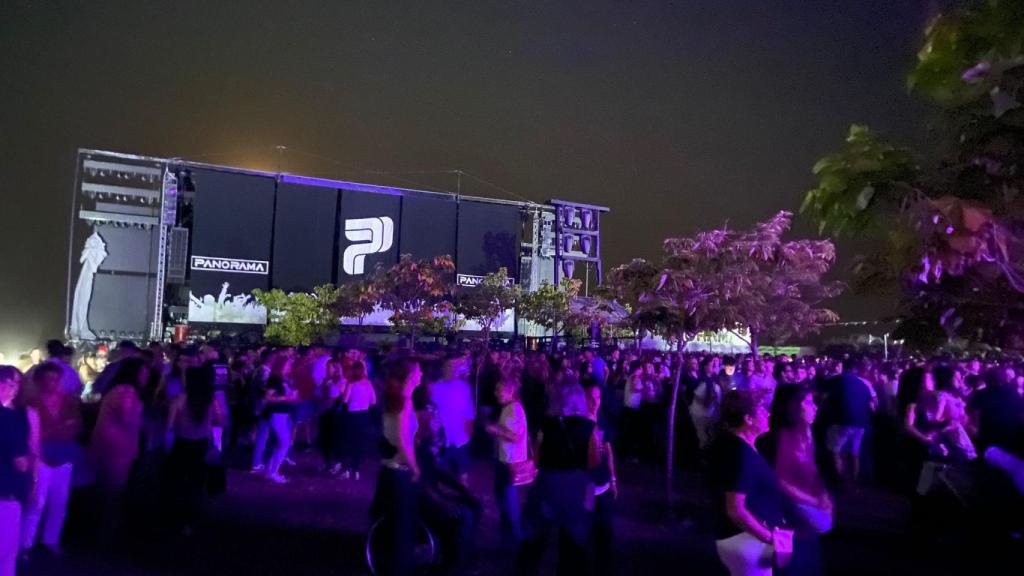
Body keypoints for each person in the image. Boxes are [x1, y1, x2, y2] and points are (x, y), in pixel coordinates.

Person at [515, 380, 599, 576]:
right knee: (574, 542)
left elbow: (537, 460)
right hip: (576, 489)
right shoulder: (589, 427)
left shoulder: (546, 425)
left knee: (535, 537)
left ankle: (526, 568)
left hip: (548, 484)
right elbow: (593, 462)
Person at [709, 390, 788, 576]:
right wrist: (768, 537)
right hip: (747, 540)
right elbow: (735, 509)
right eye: (763, 411)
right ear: (748, 419)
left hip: (745, 538)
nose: (769, 414)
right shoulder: (740, 454)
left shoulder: (738, 445)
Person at [20, 363, 82, 556]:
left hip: (64, 455)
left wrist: (52, 431)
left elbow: (76, 426)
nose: (53, 383)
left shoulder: (69, 401)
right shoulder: (31, 403)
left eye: (56, 379)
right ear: (40, 381)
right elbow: (33, 434)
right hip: (40, 455)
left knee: (59, 501)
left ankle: (51, 540)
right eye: (48, 379)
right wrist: (60, 428)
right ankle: (26, 543)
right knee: (36, 502)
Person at [370, 358, 423, 576]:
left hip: (390, 468)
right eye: (418, 372)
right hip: (398, 470)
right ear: (410, 377)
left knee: (395, 524)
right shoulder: (403, 401)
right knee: (402, 525)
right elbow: (403, 439)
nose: (421, 375)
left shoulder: (396, 399)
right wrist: (415, 467)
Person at [759, 385, 831, 534]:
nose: (815, 408)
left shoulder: (807, 433)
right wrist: (814, 501)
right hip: (787, 501)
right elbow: (781, 482)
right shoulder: (780, 438)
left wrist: (822, 494)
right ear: (792, 406)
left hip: (804, 495)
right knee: (822, 523)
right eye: (808, 403)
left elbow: (812, 469)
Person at [165, 364, 224, 534]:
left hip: (181, 444)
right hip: (201, 445)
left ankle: (175, 519)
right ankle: (192, 520)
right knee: (196, 482)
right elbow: (220, 420)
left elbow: (169, 425)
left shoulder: (178, 399)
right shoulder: (210, 400)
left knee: (178, 481)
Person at [485, 376, 529, 552]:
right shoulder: (508, 407)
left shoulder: (514, 409)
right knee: (503, 498)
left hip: (509, 463)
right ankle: (509, 534)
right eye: (496, 389)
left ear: (510, 391)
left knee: (510, 502)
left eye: (499, 390)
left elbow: (515, 436)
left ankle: (518, 540)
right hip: (504, 460)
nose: (496, 393)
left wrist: (494, 429)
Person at [820, 359, 876, 483]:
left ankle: (840, 482)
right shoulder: (862, 383)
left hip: (842, 421)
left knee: (835, 452)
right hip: (861, 423)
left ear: (843, 368)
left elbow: (823, 398)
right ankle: (854, 483)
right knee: (854, 453)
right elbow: (872, 406)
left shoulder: (837, 380)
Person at [584, 382, 616, 576]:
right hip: (586, 488)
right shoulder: (578, 423)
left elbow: (609, 451)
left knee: (604, 534)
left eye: (598, 397)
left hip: (603, 486)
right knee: (585, 532)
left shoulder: (602, 419)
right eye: (590, 398)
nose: (595, 402)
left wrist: (613, 479)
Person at [1, 366, 31, 576]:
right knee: (5, 554)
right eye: (12, 384)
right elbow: (21, 463)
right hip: (4, 492)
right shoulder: (7, 418)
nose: (15, 390)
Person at [251, 354, 298, 484]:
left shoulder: (284, 379)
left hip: (283, 414)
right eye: (287, 365)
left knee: (279, 444)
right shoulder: (275, 379)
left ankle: (270, 471)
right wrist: (286, 398)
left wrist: (292, 396)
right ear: (281, 366)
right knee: (284, 444)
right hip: (277, 414)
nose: (289, 367)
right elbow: (267, 397)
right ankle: (274, 472)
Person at [431, 357, 475, 485]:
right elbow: (432, 411)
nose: (453, 370)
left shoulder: (464, 387)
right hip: (442, 438)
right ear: (443, 368)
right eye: (449, 366)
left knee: (463, 475)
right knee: (442, 476)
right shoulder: (436, 387)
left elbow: (469, 413)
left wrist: (468, 434)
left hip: (461, 438)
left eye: (456, 367)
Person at [341, 360, 376, 480]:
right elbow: (374, 400)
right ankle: (355, 470)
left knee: (347, 441)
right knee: (359, 443)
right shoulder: (368, 383)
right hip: (363, 415)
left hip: (352, 415)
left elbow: (345, 400)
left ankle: (346, 469)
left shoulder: (351, 383)